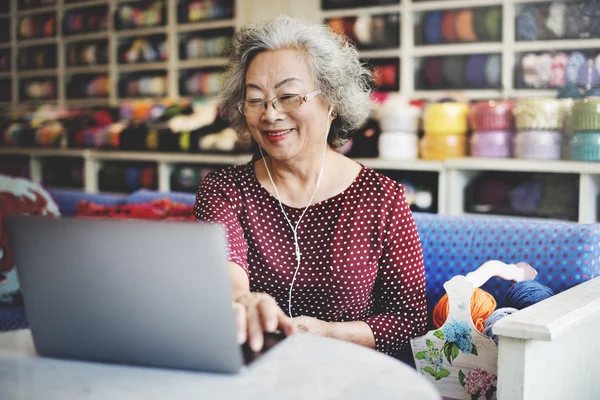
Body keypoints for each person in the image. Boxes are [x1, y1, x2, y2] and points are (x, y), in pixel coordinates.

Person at [194, 15, 427, 358]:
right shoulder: (224, 191)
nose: (270, 114)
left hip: (348, 376)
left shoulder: (380, 197)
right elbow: (226, 270)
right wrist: (242, 301)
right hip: (254, 369)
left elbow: (409, 320)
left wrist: (325, 332)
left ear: (331, 102)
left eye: (288, 96)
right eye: (255, 99)